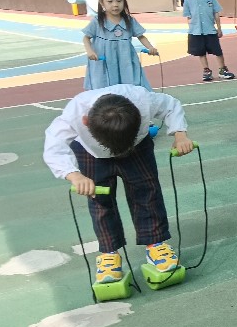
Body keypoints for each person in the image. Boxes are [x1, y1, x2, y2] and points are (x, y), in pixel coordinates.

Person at [44, 85, 193, 283]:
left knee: (147, 193)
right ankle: (109, 254)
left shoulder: (142, 100)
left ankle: (156, 244)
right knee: (100, 201)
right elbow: (53, 145)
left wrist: (180, 135)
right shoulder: (76, 111)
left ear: (140, 117)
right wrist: (74, 175)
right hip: (92, 154)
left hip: (136, 148)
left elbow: (171, 106)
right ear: (85, 122)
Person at [82, 0, 156, 91]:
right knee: (104, 88)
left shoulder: (129, 20)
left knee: (130, 86)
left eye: (119, 1)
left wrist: (150, 47)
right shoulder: (97, 21)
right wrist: (90, 51)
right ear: (101, 3)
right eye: (110, 1)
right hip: (104, 63)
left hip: (126, 61)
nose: (115, 5)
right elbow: (86, 37)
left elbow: (141, 36)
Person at [181, 0, 235, 82]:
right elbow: (188, 17)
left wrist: (219, 28)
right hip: (196, 31)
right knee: (201, 52)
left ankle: (222, 69)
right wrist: (191, 29)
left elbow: (216, 13)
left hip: (210, 30)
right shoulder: (187, 0)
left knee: (217, 51)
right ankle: (206, 70)